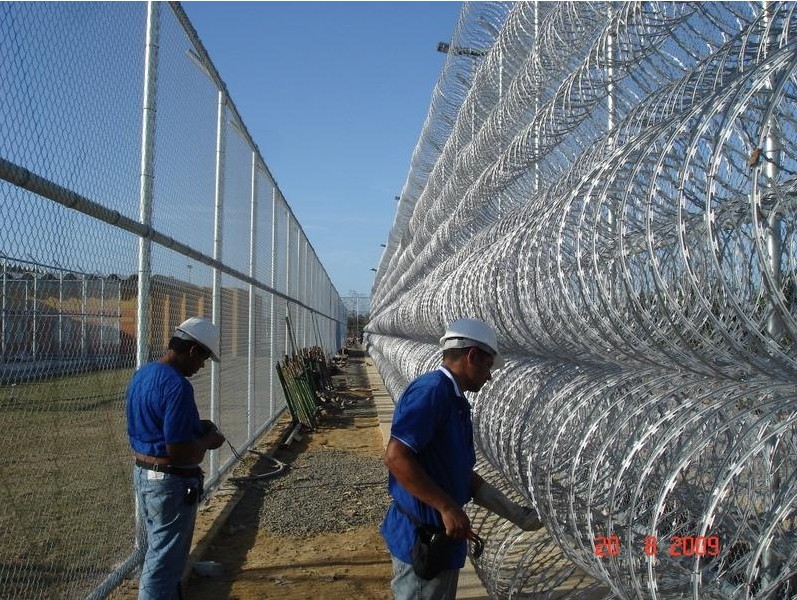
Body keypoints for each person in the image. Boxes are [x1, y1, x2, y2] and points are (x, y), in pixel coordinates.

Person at [381, 317, 543, 600]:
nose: (489, 376)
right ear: (472, 356)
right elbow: (396, 457)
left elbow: (460, 474)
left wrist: (516, 514)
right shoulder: (432, 393)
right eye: (489, 366)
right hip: (423, 539)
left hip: (443, 539)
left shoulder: (455, 400)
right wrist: (446, 506)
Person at [126, 316, 226, 600]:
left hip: (144, 474)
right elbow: (180, 452)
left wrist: (196, 427)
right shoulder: (178, 386)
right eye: (203, 358)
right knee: (163, 563)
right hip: (169, 483)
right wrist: (208, 440)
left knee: (159, 552)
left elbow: (152, 425)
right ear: (192, 350)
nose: (202, 366)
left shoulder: (143, 374)